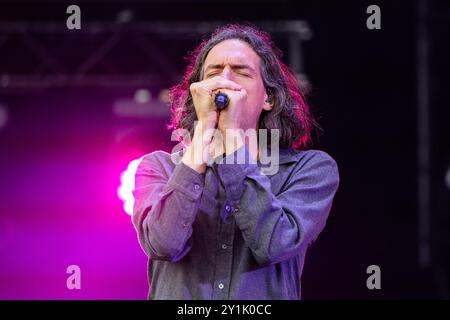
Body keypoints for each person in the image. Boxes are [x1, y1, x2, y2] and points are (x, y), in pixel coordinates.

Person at [132, 23, 339, 300]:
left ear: (268, 98)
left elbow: (274, 244)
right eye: (214, 71)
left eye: (242, 72)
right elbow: (163, 244)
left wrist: (232, 139)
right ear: (197, 93)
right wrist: (205, 130)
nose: (225, 80)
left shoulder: (310, 170)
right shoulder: (158, 167)